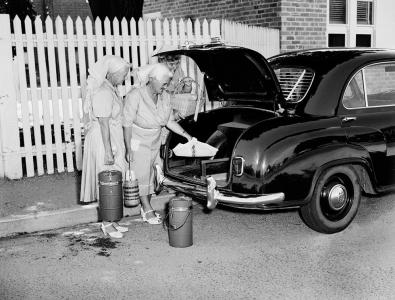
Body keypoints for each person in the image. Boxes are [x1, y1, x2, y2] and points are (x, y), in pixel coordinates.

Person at [123, 63, 193, 224]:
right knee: (141, 175)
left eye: (167, 83)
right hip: (137, 141)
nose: (166, 86)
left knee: (155, 174)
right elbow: (126, 123)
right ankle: (147, 209)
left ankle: (145, 205)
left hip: (155, 140)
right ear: (152, 79)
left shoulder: (165, 96)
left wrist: (187, 136)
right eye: (164, 83)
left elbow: (168, 120)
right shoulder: (135, 95)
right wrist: (128, 148)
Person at [80, 55, 130, 238]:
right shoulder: (102, 91)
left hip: (110, 136)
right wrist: (109, 151)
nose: (125, 78)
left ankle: (112, 220)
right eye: (123, 74)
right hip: (103, 139)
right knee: (107, 177)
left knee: (115, 178)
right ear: (111, 74)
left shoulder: (111, 88)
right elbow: (103, 123)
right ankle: (106, 224)